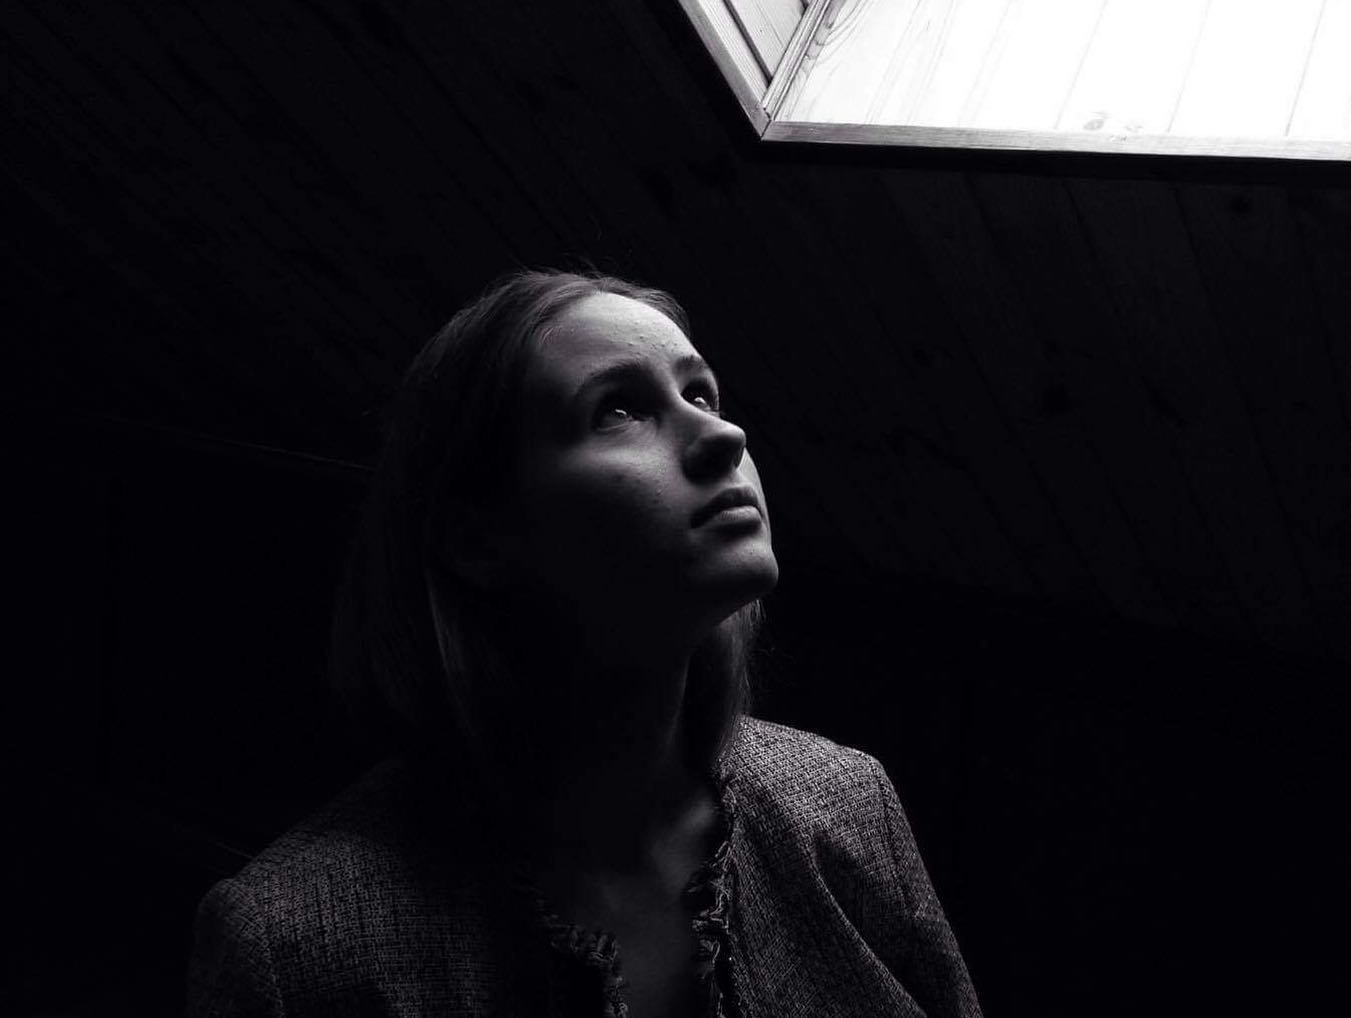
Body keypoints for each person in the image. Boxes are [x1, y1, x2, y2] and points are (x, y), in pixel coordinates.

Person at [185, 269, 983, 1017]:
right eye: (617, 409)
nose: (724, 435)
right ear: (478, 535)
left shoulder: (845, 804)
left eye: (700, 391)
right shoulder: (294, 948)